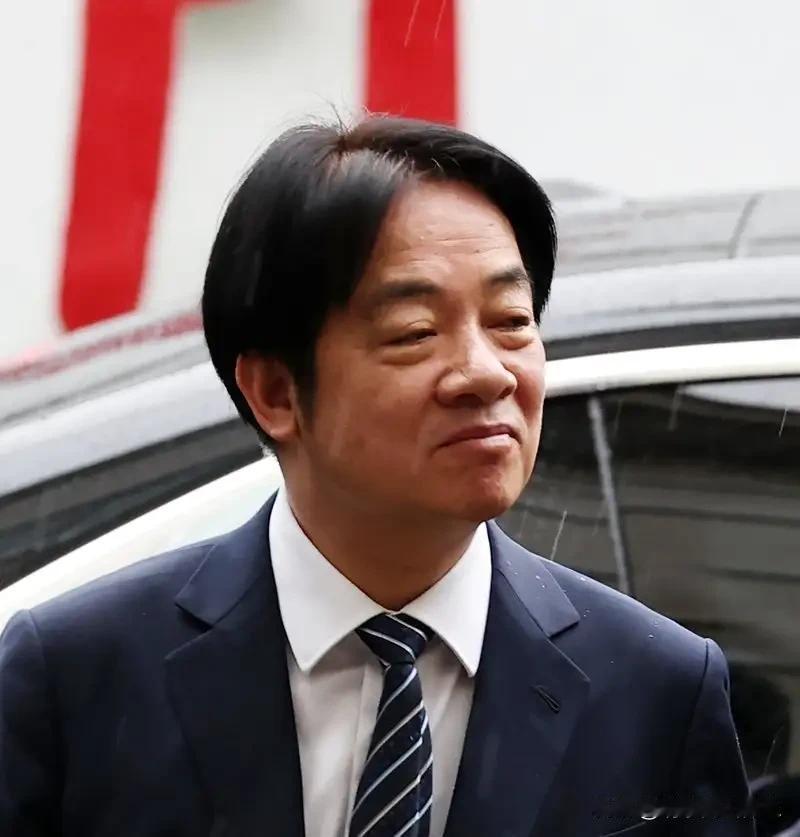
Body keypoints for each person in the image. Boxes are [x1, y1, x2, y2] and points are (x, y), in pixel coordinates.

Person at [0, 116, 753, 836]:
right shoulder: (76, 677)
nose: (486, 373)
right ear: (276, 393)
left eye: (511, 321)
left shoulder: (656, 689)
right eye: (415, 332)